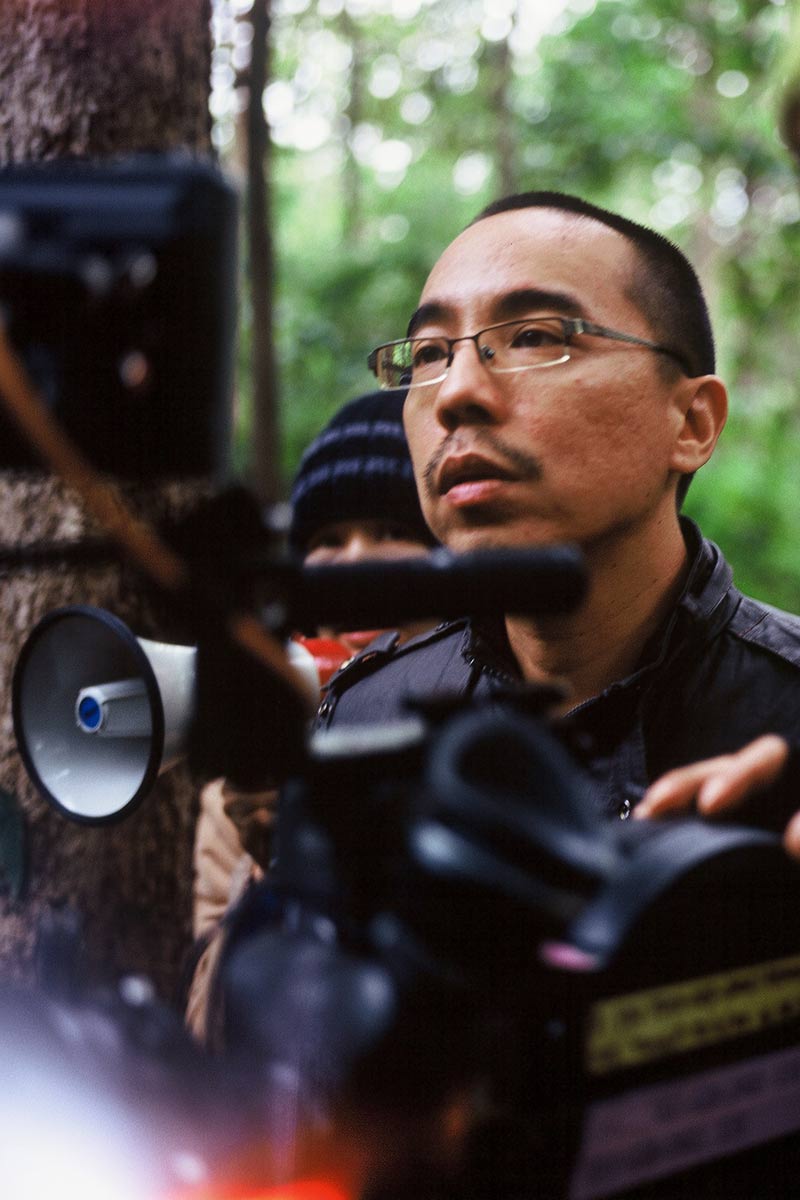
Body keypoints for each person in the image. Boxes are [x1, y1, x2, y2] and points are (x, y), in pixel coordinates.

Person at [315, 191, 800, 833]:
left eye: (534, 337)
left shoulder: (786, 719)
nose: (456, 393)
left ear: (690, 423)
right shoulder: (370, 717)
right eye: (430, 353)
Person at [187, 389, 437, 1038]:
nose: (355, 562)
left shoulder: (487, 742)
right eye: (329, 538)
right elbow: (210, 1026)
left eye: (392, 531)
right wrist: (274, 866)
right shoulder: (249, 772)